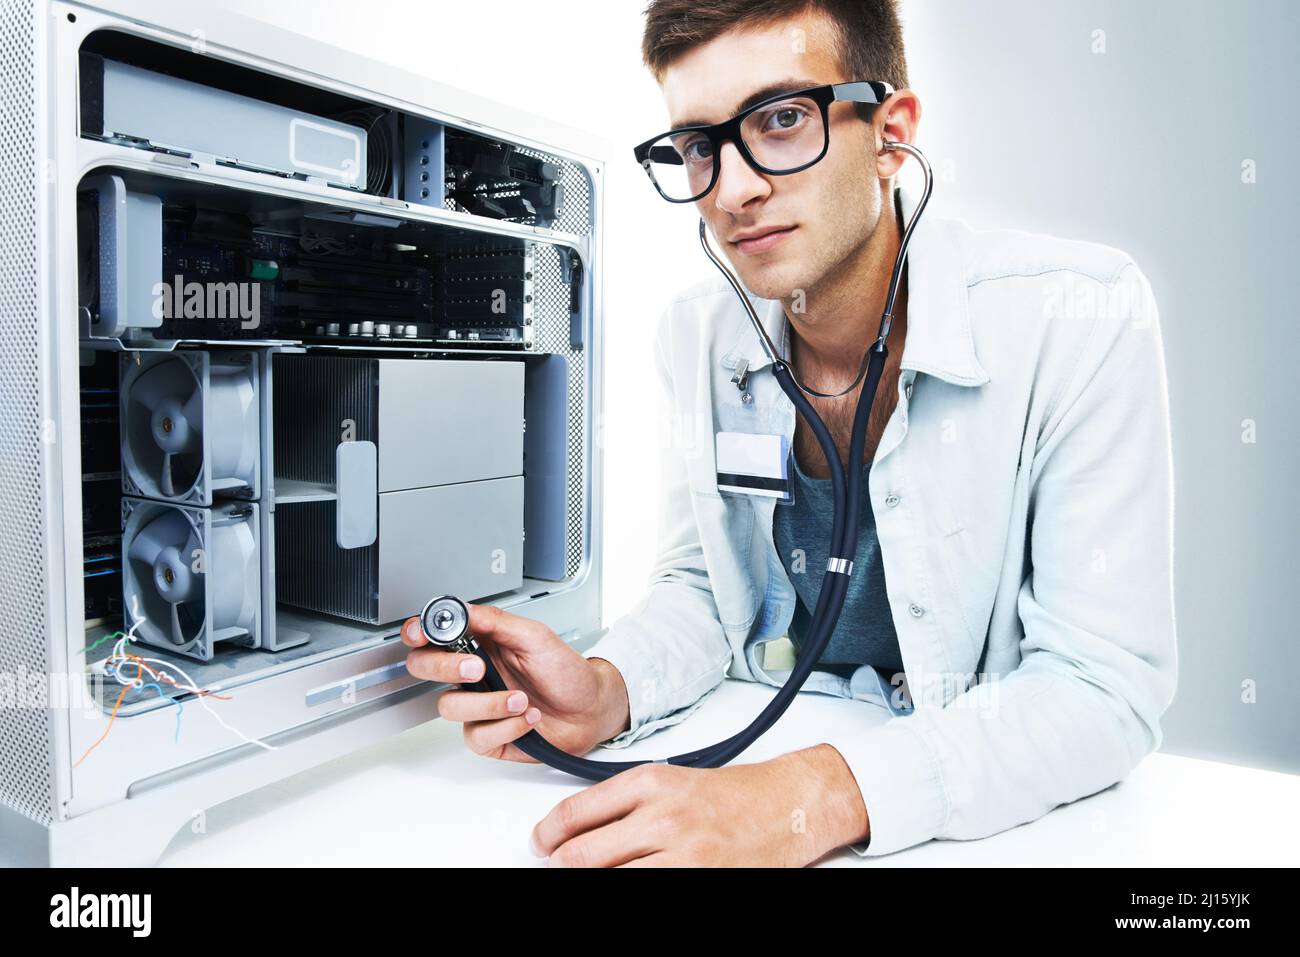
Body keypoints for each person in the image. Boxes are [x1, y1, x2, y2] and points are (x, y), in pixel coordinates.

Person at [402, 0, 1177, 867]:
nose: (732, 190)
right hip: (757, 733)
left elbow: (1102, 688)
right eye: (699, 145)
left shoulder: (1078, 316)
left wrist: (807, 796)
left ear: (891, 133)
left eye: (780, 120)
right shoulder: (695, 336)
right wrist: (607, 689)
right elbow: (706, 584)